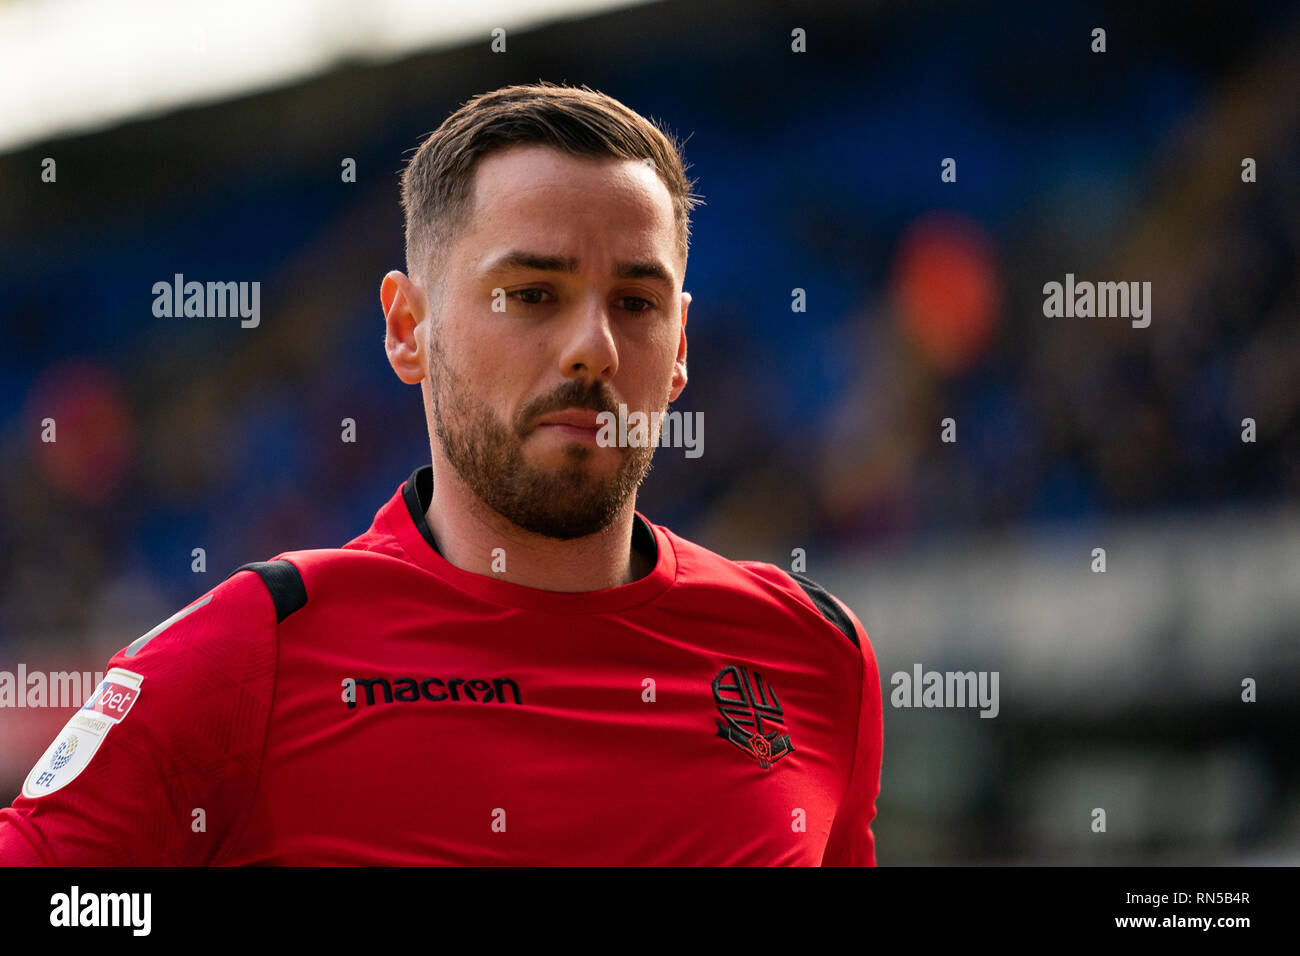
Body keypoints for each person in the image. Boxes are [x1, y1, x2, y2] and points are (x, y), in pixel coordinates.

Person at [0, 82, 882, 865]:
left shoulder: (813, 655)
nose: (593, 349)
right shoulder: (246, 658)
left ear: (681, 346)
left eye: (637, 304)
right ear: (407, 327)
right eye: (532, 294)